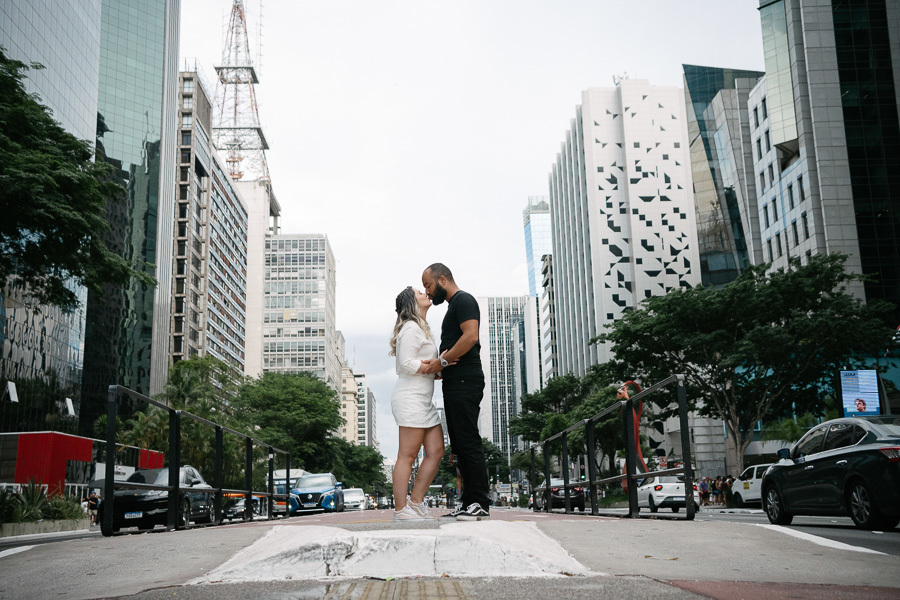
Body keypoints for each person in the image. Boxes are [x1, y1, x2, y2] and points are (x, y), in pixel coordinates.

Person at [421, 263, 490, 521]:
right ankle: (468, 502)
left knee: (468, 440)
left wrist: (443, 361)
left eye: (428, 285)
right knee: (459, 444)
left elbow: (471, 337)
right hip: (455, 381)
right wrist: (442, 366)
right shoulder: (454, 306)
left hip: (465, 380)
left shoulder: (464, 300)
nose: (427, 292)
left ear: (442, 279)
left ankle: (480, 502)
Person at [389, 286, 445, 521]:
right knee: (407, 456)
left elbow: (420, 364)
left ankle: (416, 502)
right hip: (410, 398)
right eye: (419, 292)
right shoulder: (411, 328)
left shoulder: (421, 328)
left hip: (423, 400)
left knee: (436, 451)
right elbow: (406, 364)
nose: (425, 293)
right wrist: (436, 365)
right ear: (412, 302)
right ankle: (401, 510)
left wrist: (435, 371)